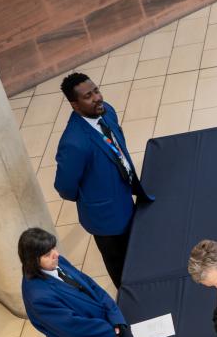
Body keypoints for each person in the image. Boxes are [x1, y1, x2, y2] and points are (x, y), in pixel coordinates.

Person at [54, 72, 152, 290]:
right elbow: (65, 187)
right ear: (75, 105)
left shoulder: (107, 111)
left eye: (96, 90)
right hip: (105, 217)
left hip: (125, 197)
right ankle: (131, 298)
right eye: (88, 96)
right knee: (119, 264)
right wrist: (94, 197)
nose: (97, 98)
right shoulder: (74, 142)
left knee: (136, 247)